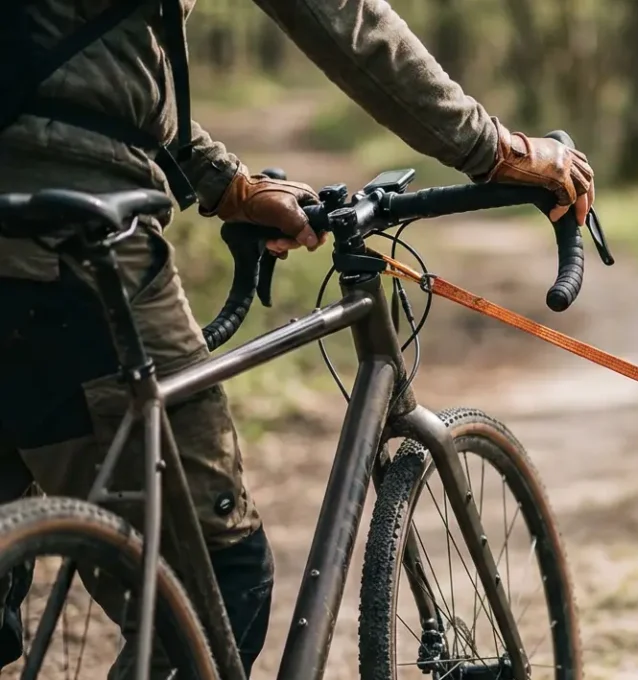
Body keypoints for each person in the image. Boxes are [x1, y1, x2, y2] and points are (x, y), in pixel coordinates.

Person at [0, 0, 596, 675]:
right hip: (64, 242)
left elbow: (60, 59)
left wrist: (227, 183)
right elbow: (336, 14)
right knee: (217, 587)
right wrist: (500, 151)